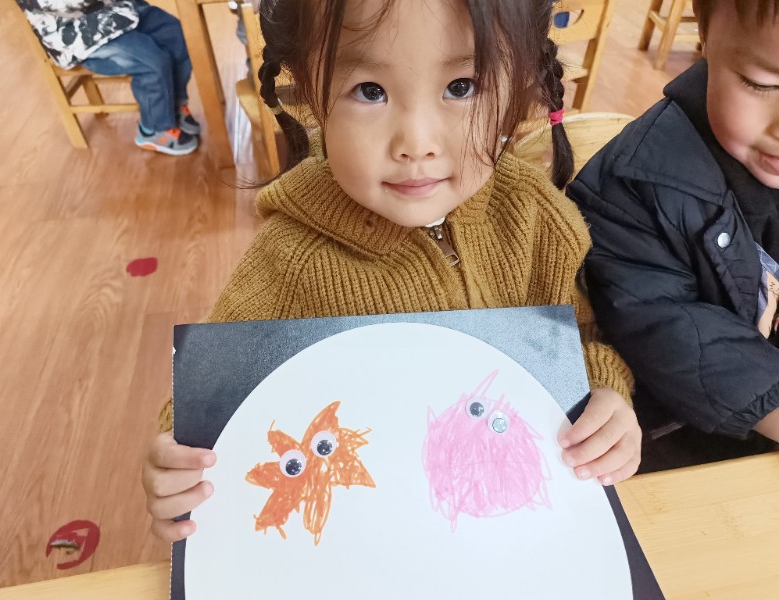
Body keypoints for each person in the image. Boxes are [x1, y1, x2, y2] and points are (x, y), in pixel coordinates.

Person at [142, 0, 641, 542]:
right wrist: (178, 466)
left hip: (509, 528)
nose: (417, 144)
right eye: (370, 91)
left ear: (519, 82)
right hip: (369, 542)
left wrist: (606, 395)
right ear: (309, 93)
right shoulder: (290, 260)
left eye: (462, 87)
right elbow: (206, 406)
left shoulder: (535, 216)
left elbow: (579, 338)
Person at [566, 0, 779, 459]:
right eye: (762, 84)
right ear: (704, 31)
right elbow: (672, 332)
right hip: (678, 440)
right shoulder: (629, 187)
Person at [17, 0, 200, 155]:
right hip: (79, 31)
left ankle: (172, 104)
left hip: (119, 9)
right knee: (151, 62)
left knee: (178, 35)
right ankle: (154, 128)